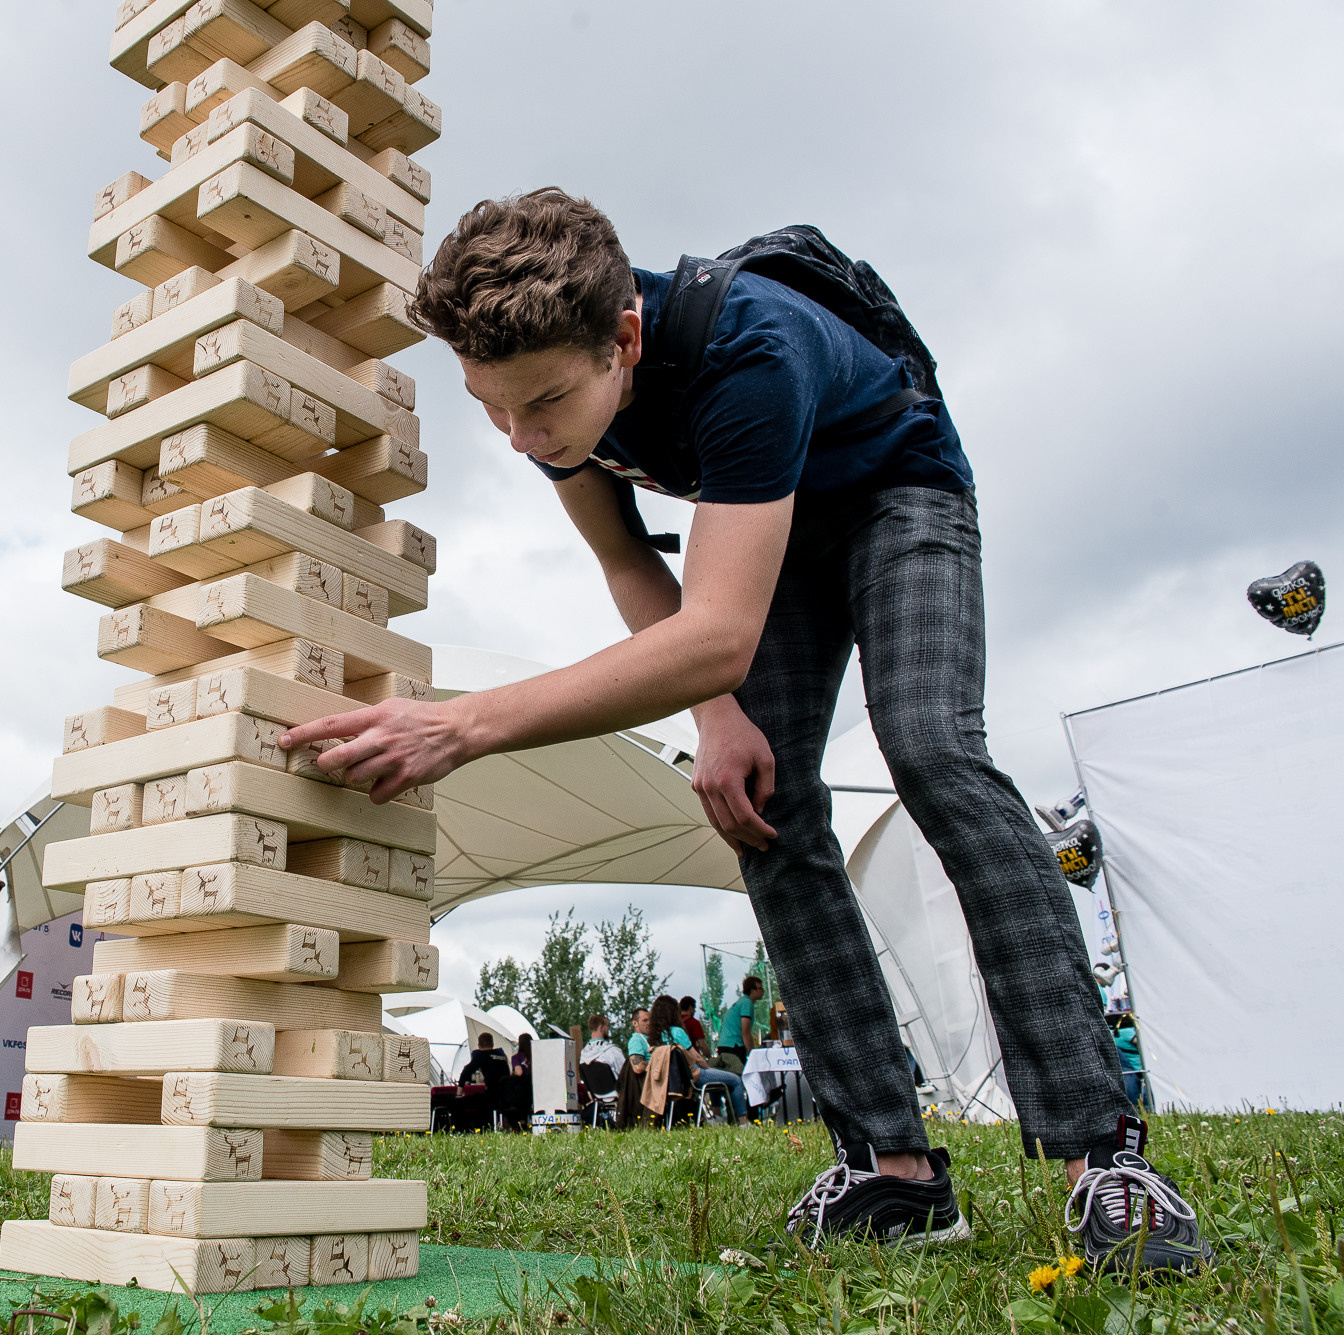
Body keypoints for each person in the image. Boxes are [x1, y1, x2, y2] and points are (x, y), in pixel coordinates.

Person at [276, 191, 1205, 1272]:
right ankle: (893, 1170)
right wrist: (716, 725)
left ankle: (1105, 1153)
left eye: (544, 404)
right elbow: (631, 564)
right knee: (759, 800)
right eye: (493, 408)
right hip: (768, 535)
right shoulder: (547, 395)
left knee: (930, 750)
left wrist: (462, 725)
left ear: (624, 337)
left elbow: (716, 634)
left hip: (897, 495)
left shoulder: (750, 349)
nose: (522, 438)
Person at [651, 995, 751, 1125]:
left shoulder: (656, 1037)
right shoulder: (677, 1032)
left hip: (674, 1080)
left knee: (716, 1077)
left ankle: (717, 1117)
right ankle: (743, 1122)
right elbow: (696, 1057)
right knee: (735, 1080)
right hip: (693, 1076)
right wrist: (709, 1068)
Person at [717, 976, 766, 1068]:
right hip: (733, 1047)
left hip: (725, 1045)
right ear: (752, 990)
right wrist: (753, 1054)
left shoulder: (742, 1002)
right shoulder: (747, 1003)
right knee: (739, 1074)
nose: (763, 991)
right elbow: (745, 1032)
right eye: (760, 988)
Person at [581, 1014, 626, 1079]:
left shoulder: (583, 1056)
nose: (608, 1029)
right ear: (601, 1028)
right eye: (607, 1026)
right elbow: (626, 1075)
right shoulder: (613, 1051)